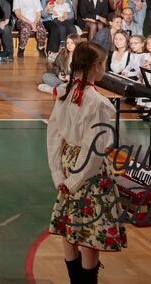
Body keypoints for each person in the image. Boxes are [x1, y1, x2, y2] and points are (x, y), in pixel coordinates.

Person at [47, 41, 126, 283]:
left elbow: (53, 136)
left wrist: (59, 175)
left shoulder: (65, 92)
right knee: (91, 232)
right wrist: (74, 181)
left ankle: (76, 280)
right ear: (96, 66)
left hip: (69, 164)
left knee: (70, 226)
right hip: (88, 174)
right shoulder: (98, 103)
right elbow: (94, 151)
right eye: (104, 63)